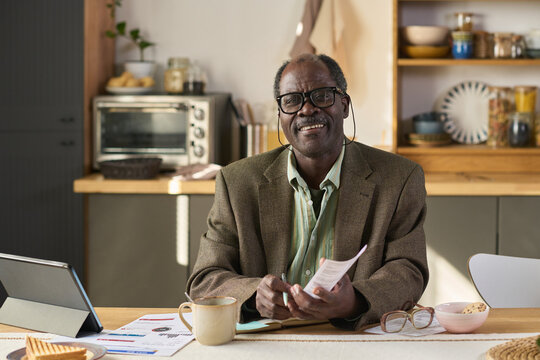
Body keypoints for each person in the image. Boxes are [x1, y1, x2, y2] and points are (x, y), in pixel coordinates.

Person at [187, 53, 428, 330]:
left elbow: (409, 271)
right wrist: (254, 295)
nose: (306, 109)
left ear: (345, 105)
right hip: (267, 343)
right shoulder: (237, 182)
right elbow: (204, 278)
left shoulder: (399, 178)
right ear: (280, 114)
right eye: (291, 101)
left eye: (322, 96)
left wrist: (355, 301)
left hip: (355, 337)